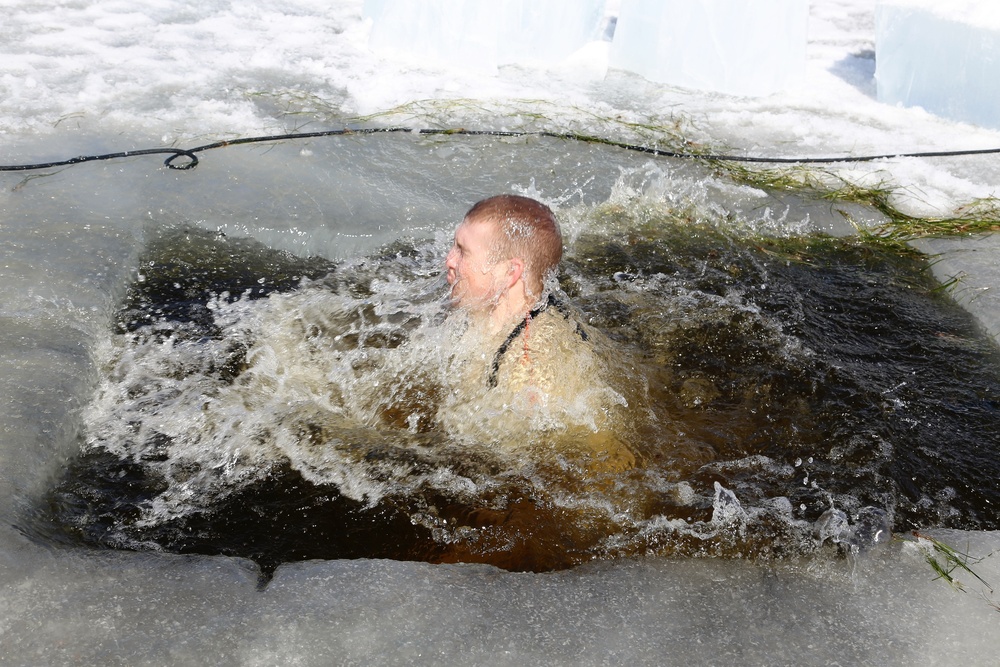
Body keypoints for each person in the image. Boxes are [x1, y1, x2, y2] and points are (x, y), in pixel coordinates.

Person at [442, 194, 636, 473]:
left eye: (462, 250)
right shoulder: (491, 314)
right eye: (454, 244)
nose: (449, 259)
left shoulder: (531, 366)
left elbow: (531, 465)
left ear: (510, 272)